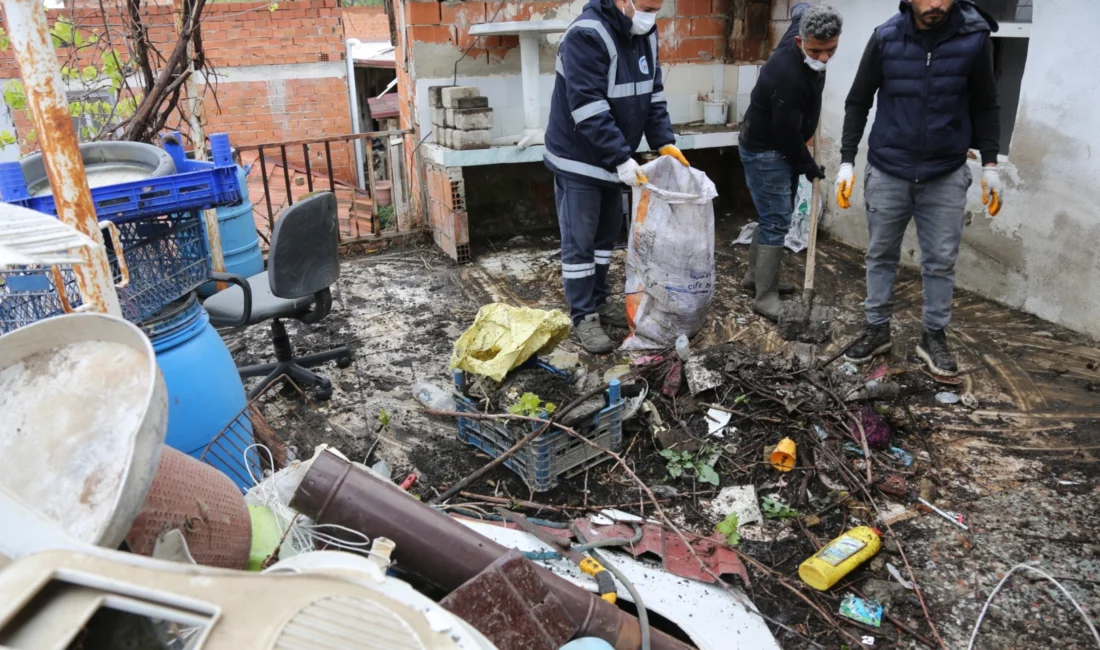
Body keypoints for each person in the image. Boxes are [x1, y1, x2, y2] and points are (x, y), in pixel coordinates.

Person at [837, 0, 1002, 376]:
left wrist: (990, 164)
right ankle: (877, 329)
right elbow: (858, 101)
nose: (937, 5)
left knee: (941, 261)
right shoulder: (885, 38)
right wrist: (847, 160)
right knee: (880, 254)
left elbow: (986, 106)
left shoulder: (974, 40)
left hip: (944, 173)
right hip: (888, 169)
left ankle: (933, 336)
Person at [544, 0, 689, 354]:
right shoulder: (587, 35)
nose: (650, 15)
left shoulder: (646, 33)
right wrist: (622, 157)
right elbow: (588, 107)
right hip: (578, 158)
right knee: (580, 243)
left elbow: (653, 96)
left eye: (657, 7)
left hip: (613, 158)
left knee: (605, 238)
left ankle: (599, 298)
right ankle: (583, 315)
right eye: (646, 6)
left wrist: (663, 142)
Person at [738, 4, 843, 321]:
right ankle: (764, 296)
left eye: (831, 50)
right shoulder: (788, 76)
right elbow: (786, 135)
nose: (823, 58)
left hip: (776, 144)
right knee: (777, 219)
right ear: (799, 42)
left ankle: (755, 278)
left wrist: (806, 7)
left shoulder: (804, 27)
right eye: (816, 51)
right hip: (766, 150)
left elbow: (801, 9)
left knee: (771, 214)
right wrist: (807, 166)